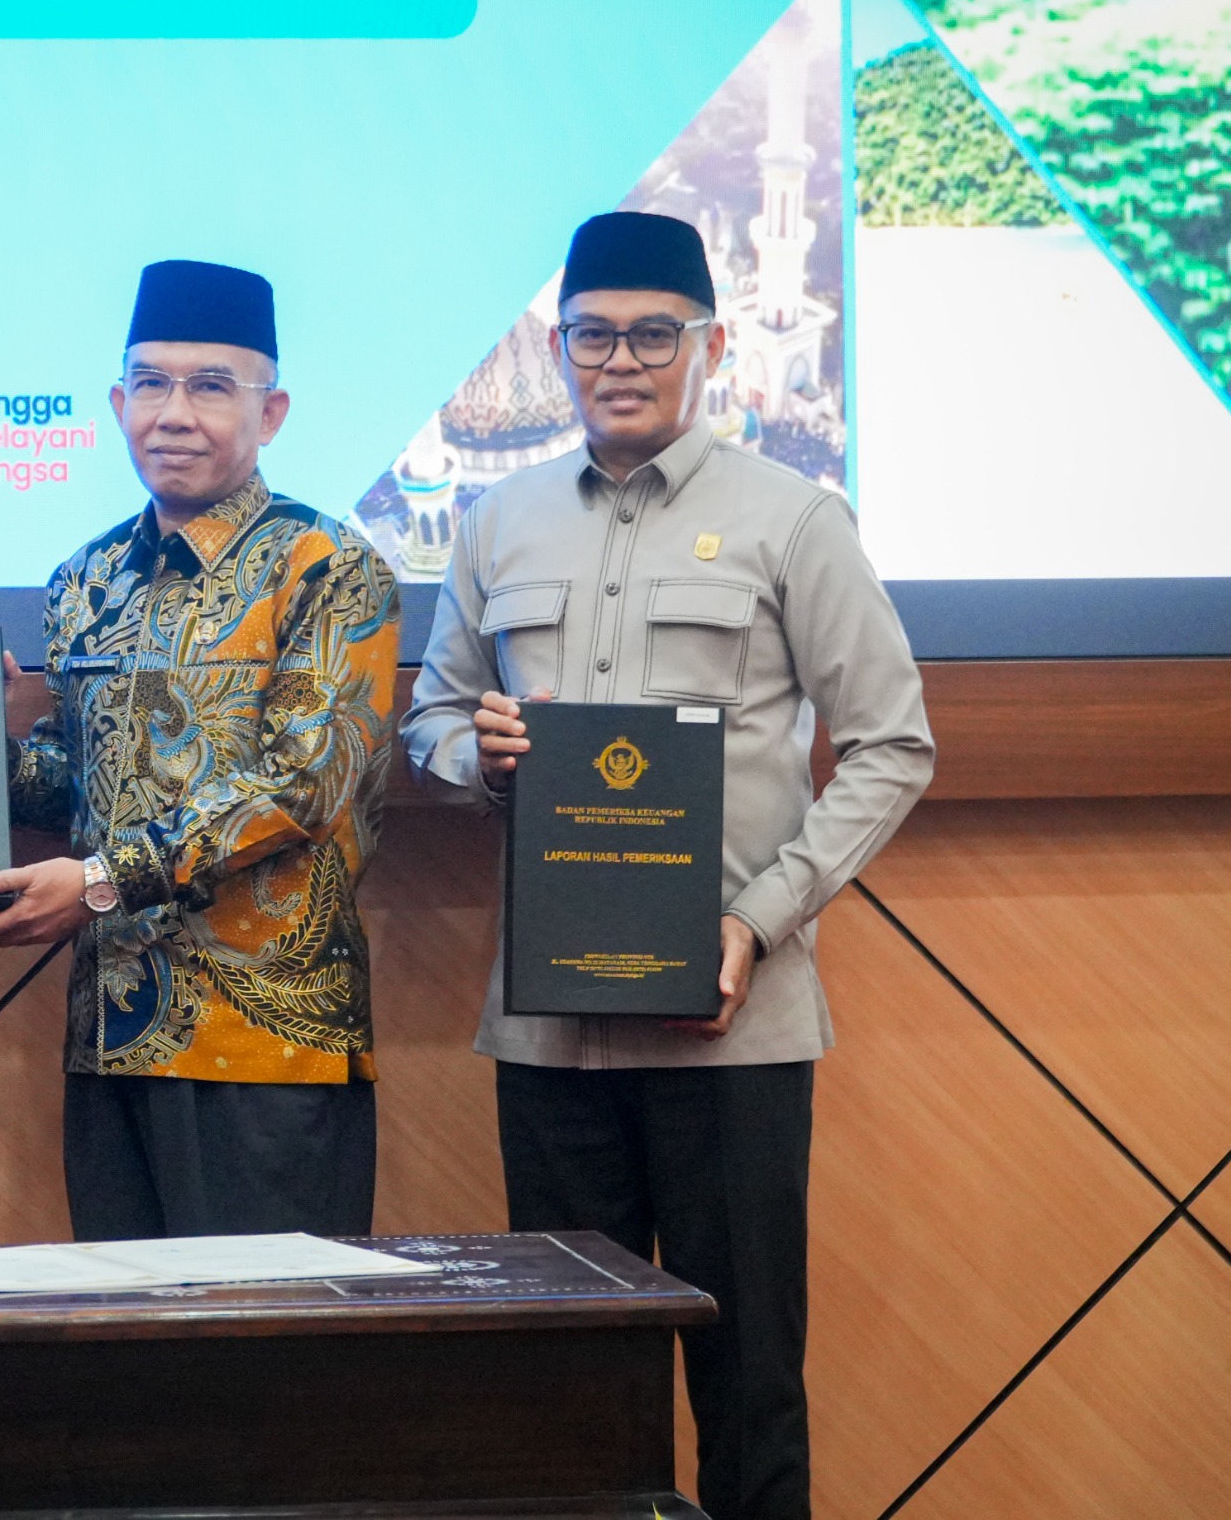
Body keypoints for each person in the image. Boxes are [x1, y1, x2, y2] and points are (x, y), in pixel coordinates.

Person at [401, 211, 934, 1520]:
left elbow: (891, 744)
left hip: (728, 1033)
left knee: (748, 1389)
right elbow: (431, 716)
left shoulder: (794, 518)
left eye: (654, 334)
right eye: (593, 335)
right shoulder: (497, 521)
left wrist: (755, 920)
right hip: (551, 1033)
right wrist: (483, 755)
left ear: (712, 343)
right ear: (559, 347)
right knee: (570, 1394)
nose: (621, 361)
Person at [0, 259, 400, 1240]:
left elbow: (301, 784)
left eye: (209, 386)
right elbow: (74, 784)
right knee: (129, 1335)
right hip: (111, 1035)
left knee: (267, 1335)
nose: (174, 413)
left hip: (268, 1042)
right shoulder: (85, 578)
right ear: (118, 403)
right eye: (151, 383)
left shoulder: (328, 568)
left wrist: (98, 881)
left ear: (270, 412)